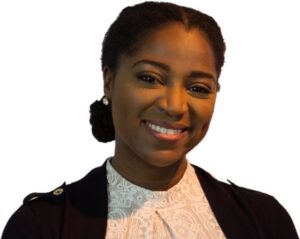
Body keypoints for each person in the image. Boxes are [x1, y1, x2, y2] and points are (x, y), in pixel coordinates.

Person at [2, 1, 299, 239]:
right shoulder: (41, 225)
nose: (174, 106)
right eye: (150, 78)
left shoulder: (265, 220)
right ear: (109, 81)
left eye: (198, 87)